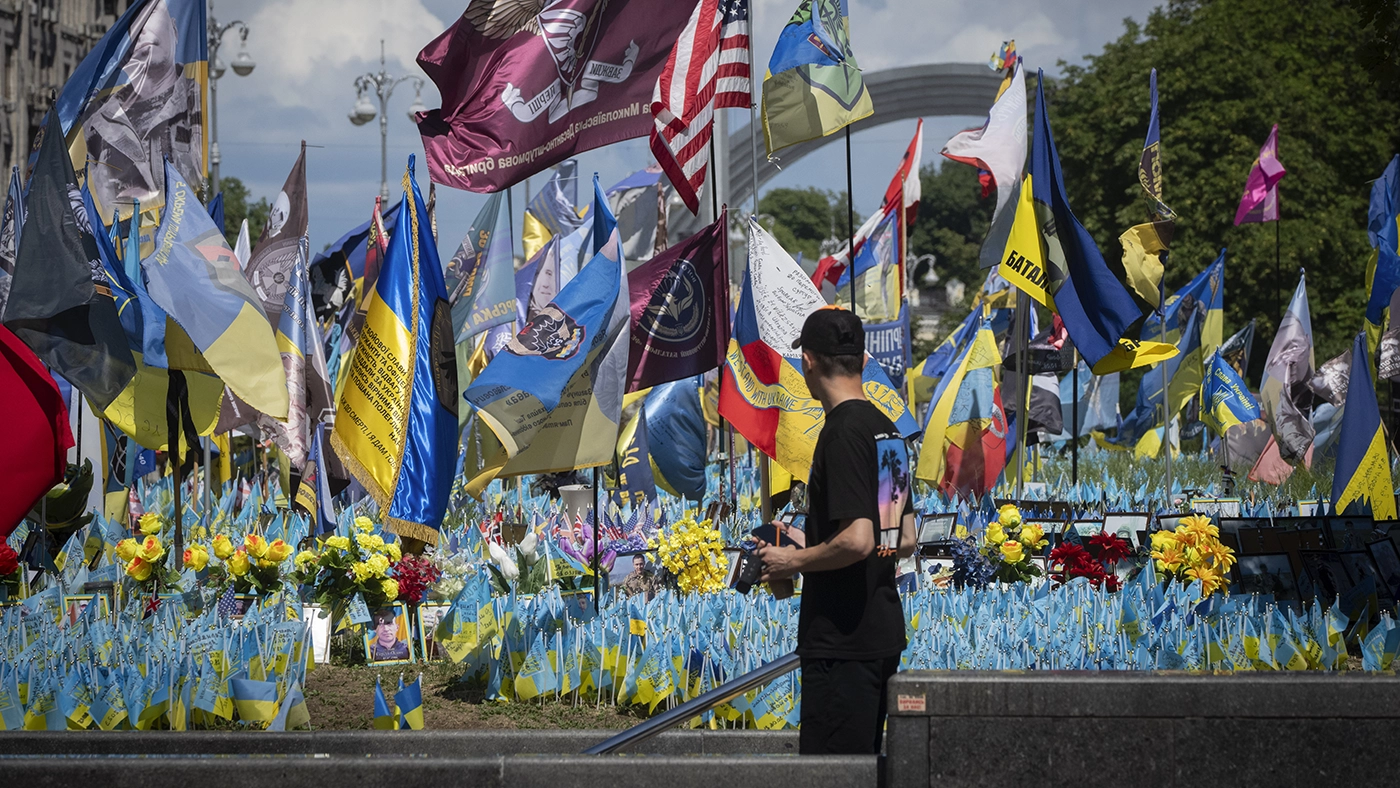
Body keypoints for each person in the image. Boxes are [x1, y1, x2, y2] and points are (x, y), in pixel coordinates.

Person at [757, 306, 916, 755]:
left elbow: (859, 539)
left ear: (807, 361)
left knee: (832, 772)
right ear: (863, 361)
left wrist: (793, 560)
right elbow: (900, 538)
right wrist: (811, 543)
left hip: (842, 640)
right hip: (880, 631)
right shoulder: (887, 430)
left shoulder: (842, 433)